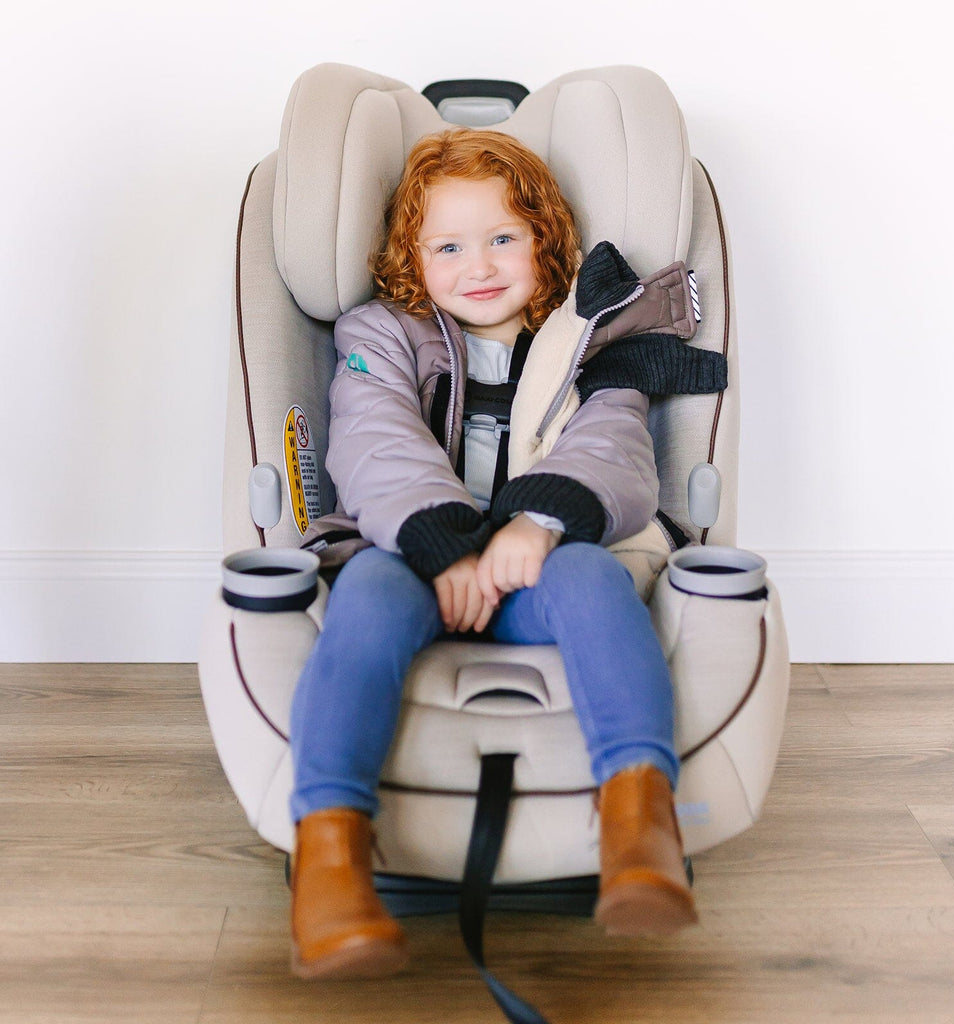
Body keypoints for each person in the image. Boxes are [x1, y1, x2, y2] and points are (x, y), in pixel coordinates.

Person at [287, 128, 699, 981]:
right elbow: (375, 441)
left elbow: (614, 447)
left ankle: (640, 826)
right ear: (412, 256)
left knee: (592, 577)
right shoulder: (382, 331)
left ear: (545, 240)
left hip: (531, 570)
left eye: (504, 237)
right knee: (363, 591)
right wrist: (442, 547)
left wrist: (537, 524)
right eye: (448, 245)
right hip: (410, 558)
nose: (479, 264)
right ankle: (329, 862)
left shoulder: (589, 342)